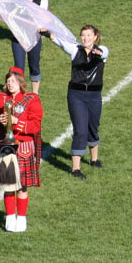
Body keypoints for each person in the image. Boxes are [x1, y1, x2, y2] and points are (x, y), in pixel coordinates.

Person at [0, 67, 43, 232]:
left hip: (23, 147)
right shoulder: (1, 98)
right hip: (5, 147)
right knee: (8, 186)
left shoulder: (32, 100)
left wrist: (17, 122)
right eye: (8, 81)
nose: (10, 84)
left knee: (22, 186)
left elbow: (36, 126)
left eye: (13, 81)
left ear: (21, 83)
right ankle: (9, 219)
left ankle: (21, 219)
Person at [45, 25, 108, 180]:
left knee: (93, 126)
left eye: (88, 35)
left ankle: (94, 160)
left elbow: (104, 52)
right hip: (76, 95)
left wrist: (97, 52)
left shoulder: (103, 51)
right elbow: (61, 43)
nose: (85, 38)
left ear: (95, 37)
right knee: (80, 129)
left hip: (94, 96)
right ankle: (75, 169)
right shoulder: (75, 50)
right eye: (83, 35)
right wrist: (49, 34)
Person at [9, 0, 49, 94]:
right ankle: (20, 94)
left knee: (34, 66)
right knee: (19, 68)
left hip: (34, 38)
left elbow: (42, 17)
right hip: (18, 37)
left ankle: (35, 95)